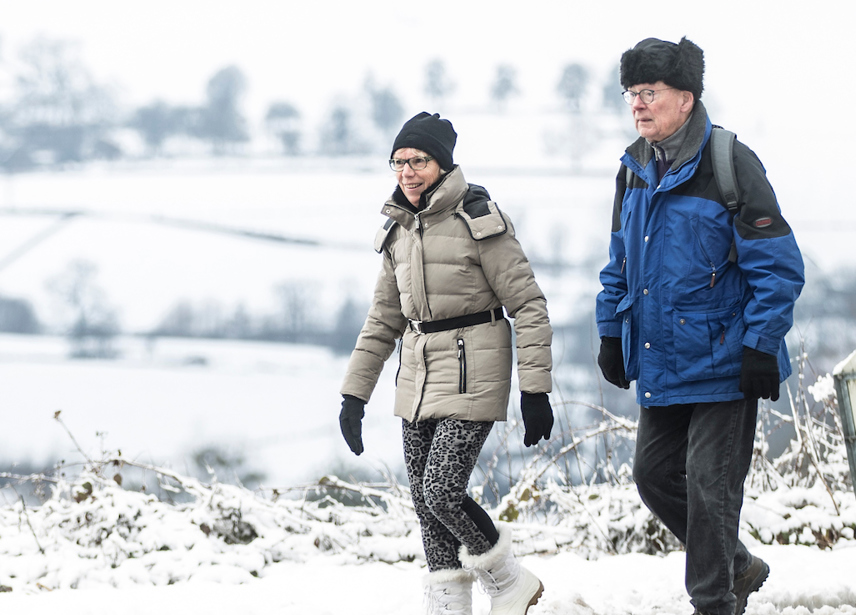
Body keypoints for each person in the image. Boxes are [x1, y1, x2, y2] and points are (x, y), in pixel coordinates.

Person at [595, 37, 805, 615]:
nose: (638, 104)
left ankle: (714, 601)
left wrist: (761, 345)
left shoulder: (729, 163)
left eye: (650, 93)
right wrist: (611, 331)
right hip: (664, 359)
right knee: (653, 476)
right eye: (631, 93)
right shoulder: (633, 169)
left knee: (710, 487)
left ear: (685, 98)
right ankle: (736, 565)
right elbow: (619, 262)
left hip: (726, 360)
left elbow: (779, 265)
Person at [338, 111, 556, 615]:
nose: (407, 172)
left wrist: (534, 388)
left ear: (442, 163)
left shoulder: (478, 220)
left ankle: (507, 579)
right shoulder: (396, 233)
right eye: (398, 163)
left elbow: (528, 304)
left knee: (441, 491)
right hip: (415, 376)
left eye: (418, 160)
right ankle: (447, 604)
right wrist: (354, 395)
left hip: (472, 371)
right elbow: (381, 321)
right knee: (424, 503)